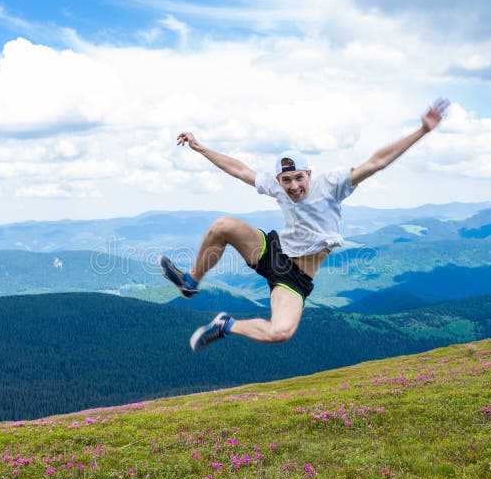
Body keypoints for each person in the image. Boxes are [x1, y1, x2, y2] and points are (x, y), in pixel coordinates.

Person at [161, 99, 449, 351]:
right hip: (270, 250)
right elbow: (239, 170)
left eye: (299, 178)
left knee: (280, 332)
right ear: (279, 180)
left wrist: (422, 130)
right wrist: (200, 148)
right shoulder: (276, 186)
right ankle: (190, 282)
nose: (294, 186)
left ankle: (226, 325)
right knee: (222, 226)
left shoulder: (332, 185)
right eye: (287, 180)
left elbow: (377, 163)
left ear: (309, 174)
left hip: (294, 277)